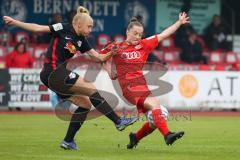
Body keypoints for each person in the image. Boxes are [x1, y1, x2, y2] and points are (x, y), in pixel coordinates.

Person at [3, 6, 137, 150]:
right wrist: (15, 22)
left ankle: (68, 141)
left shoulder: (82, 40)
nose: (91, 30)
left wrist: (111, 53)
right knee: (91, 88)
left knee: (85, 104)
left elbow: (98, 57)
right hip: (52, 71)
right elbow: (38, 29)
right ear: (79, 24)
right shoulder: (63, 27)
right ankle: (118, 121)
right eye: (89, 26)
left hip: (55, 76)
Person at [101, 12, 190, 149]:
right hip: (129, 87)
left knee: (158, 118)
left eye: (140, 34)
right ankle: (167, 135)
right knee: (156, 104)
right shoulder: (116, 46)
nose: (138, 37)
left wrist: (179, 23)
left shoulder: (144, 45)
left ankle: (135, 137)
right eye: (135, 33)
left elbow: (163, 35)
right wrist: (109, 70)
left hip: (142, 85)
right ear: (127, 32)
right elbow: (100, 57)